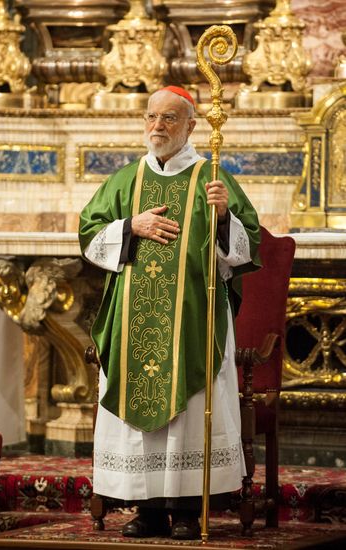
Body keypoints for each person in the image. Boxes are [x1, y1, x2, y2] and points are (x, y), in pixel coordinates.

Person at [79, 86, 261, 540]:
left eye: (170, 119)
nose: (157, 127)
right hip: (133, 324)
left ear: (192, 127)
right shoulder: (125, 180)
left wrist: (223, 219)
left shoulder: (212, 178)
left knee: (189, 407)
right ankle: (147, 509)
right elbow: (89, 233)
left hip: (193, 322)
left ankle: (186, 510)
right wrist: (129, 226)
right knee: (137, 414)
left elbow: (247, 245)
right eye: (151, 117)